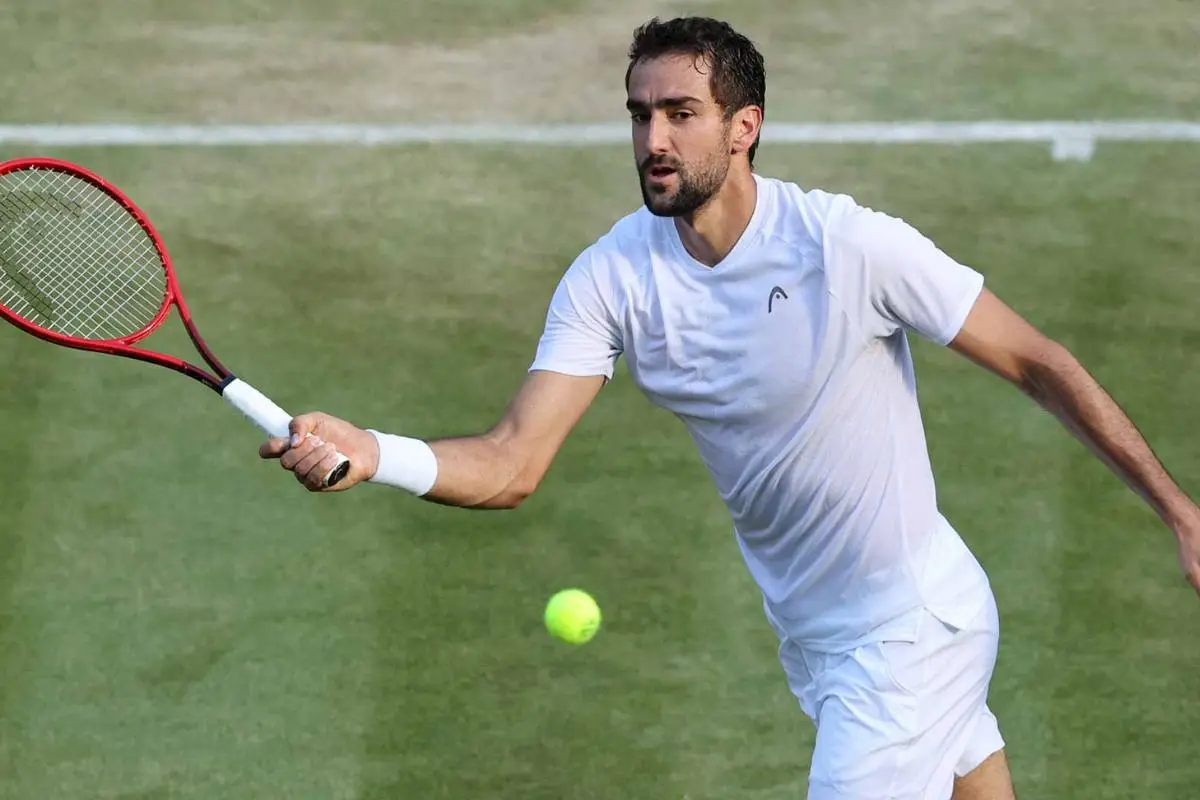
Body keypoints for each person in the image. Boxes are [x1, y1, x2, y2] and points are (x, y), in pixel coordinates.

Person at [259, 15, 1200, 800]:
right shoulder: (612, 278)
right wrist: (376, 450)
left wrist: (1179, 511)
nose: (653, 141)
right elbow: (513, 462)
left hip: (908, 632)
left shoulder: (846, 245)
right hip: (819, 637)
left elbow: (1038, 361)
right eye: (640, 116)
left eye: (681, 114)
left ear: (743, 126)